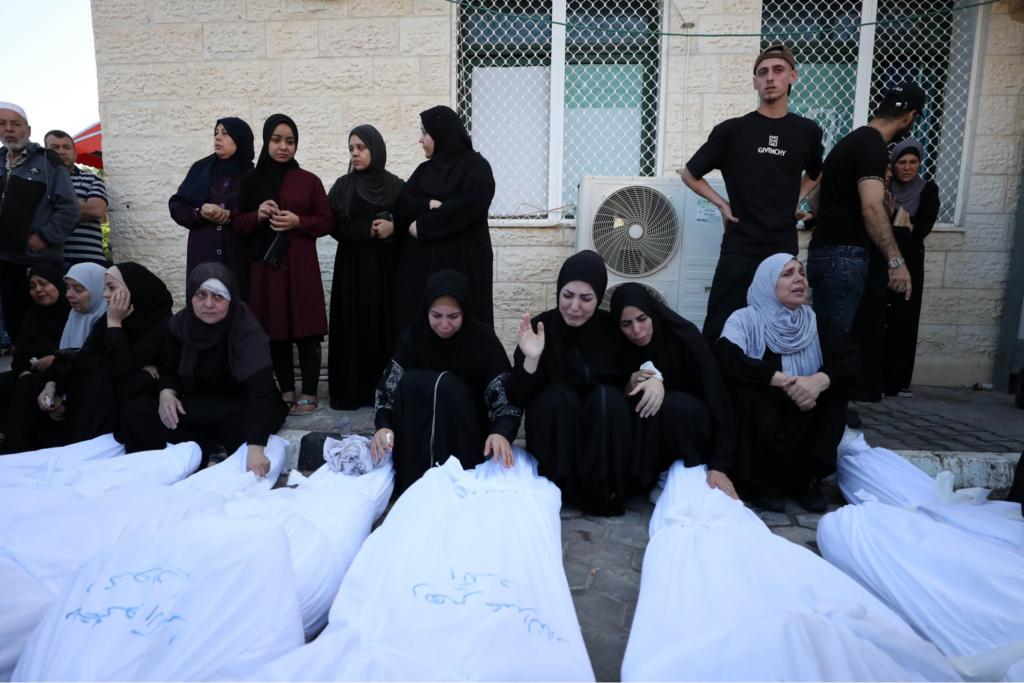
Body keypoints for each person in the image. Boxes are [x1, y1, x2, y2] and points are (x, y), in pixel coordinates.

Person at [680, 44, 824, 346]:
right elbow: (690, 174)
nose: (770, 77)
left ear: (792, 76)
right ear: (755, 82)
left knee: (778, 326)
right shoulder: (732, 131)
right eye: (763, 72)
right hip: (740, 246)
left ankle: (770, 376)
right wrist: (722, 204)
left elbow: (816, 172)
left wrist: (796, 197)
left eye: (778, 70)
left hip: (782, 248)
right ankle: (715, 377)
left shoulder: (807, 131)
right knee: (721, 327)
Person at [807, 82, 925, 407]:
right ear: (910, 117)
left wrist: (839, 219)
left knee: (822, 339)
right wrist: (896, 261)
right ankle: (829, 417)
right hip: (845, 257)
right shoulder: (874, 148)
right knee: (835, 344)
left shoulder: (848, 142)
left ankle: (818, 413)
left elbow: (816, 198)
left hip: (822, 251)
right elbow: (871, 207)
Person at [716, 255, 860, 512]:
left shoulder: (816, 320)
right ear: (767, 282)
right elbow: (728, 360)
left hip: (804, 412)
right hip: (763, 419)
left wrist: (819, 380)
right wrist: (784, 381)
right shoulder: (744, 319)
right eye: (787, 274)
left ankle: (806, 479)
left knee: (836, 390)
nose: (799, 279)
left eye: (802, 273)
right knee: (746, 388)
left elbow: (851, 360)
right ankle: (758, 482)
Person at [119, 263, 288, 475]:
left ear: (231, 299)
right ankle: (211, 450)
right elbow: (169, 371)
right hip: (199, 404)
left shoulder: (246, 329)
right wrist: (166, 394)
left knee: (259, 415)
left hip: (240, 406)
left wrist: (255, 448)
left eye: (218, 296)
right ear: (191, 296)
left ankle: (205, 446)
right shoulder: (179, 326)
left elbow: (261, 392)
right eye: (201, 295)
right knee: (135, 411)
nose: (209, 304)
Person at [371, 270, 521, 494]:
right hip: (415, 443)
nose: (444, 325)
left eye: (453, 316)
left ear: (465, 311)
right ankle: (414, 481)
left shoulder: (482, 339)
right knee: (411, 381)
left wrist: (501, 432)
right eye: (436, 315)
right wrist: (383, 426)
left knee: (447, 386)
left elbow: (505, 399)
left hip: (464, 438)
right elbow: (387, 392)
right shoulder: (413, 336)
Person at [506, 251, 632, 516]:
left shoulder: (612, 331)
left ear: (599, 297)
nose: (574, 307)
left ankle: (603, 491)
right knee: (559, 396)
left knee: (607, 398)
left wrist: (653, 379)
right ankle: (556, 487)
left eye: (586, 299)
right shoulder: (540, 328)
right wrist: (531, 360)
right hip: (555, 427)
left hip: (598, 427)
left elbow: (634, 374)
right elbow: (516, 396)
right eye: (567, 295)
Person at [0, 262, 172, 454]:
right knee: (30, 385)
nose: (105, 294)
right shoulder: (104, 320)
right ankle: (16, 448)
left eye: (111, 288)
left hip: (117, 396)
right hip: (88, 387)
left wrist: (115, 324)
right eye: (105, 288)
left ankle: (79, 450)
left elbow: (122, 365)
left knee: (101, 381)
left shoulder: (160, 323)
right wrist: (54, 385)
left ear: (134, 289)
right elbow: (83, 358)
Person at [233, 114, 332, 414]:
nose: (283, 147)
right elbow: (238, 222)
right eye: (276, 140)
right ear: (266, 142)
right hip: (268, 269)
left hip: (301, 267)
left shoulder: (309, 181)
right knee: (274, 330)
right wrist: (258, 215)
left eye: (290, 141)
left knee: (307, 330)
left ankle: (310, 392)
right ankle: (287, 391)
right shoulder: (251, 181)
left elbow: (327, 221)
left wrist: (299, 221)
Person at [609, 283, 737, 500]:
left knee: (673, 404)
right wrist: (630, 384)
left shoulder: (685, 337)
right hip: (655, 433)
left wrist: (720, 464)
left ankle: (690, 470)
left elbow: (719, 402)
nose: (636, 330)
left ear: (652, 313)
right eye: (626, 324)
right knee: (638, 395)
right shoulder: (621, 345)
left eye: (642, 319)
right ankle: (644, 476)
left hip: (694, 427)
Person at [393, 106, 496, 331]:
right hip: (422, 274)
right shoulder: (423, 171)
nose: (421, 140)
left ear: (442, 134)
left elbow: (465, 207)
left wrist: (422, 225)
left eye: (425, 133)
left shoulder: (476, 167)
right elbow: (401, 205)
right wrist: (427, 204)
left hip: (463, 268)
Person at [327, 124, 405, 410]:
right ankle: (352, 391)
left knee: (384, 324)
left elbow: (410, 220)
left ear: (376, 149)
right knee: (352, 326)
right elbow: (331, 222)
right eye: (351, 149)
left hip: (386, 272)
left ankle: (384, 392)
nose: (355, 154)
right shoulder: (343, 186)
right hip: (352, 271)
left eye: (361, 147)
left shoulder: (396, 186)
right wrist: (365, 230)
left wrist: (393, 228)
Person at [0, 103, 80, 342]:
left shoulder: (47, 160)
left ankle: (52, 363)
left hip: (39, 258)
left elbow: (70, 208)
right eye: (2, 124)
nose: (9, 129)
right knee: (14, 321)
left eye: (16, 124)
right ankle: (24, 362)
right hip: (5, 258)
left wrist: (44, 237)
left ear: (28, 130)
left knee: (47, 320)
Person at [169, 118, 256, 301]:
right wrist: (201, 212)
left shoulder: (255, 177)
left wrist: (233, 216)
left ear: (241, 139)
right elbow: (177, 206)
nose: (218, 137)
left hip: (239, 259)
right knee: (204, 307)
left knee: (239, 307)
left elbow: (260, 216)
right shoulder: (201, 169)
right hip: (203, 257)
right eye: (216, 133)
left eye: (225, 133)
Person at [882, 139, 939, 398]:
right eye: (901, 162)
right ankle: (874, 377)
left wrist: (895, 214)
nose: (907, 168)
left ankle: (898, 381)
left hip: (911, 261)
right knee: (878, 315)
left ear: (920, 163)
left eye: (913, 162)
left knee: (904, 318)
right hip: (882, 257)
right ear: (893, 164)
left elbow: (922, 229)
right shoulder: (883, 186)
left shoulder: (928, 190)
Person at [0, 265, 70, 437]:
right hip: (33, 376)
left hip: (64, 375)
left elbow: (80, 352)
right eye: (32, 286)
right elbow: (20, 356)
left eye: (43, 283)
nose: (38, 290)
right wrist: (24, 375)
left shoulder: (74, 313)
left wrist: (56, 358)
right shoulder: (33, 316)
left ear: (58, 284)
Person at [44, 130, 109, 267]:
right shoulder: (37, 180)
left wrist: (50, 205)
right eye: (55, 147)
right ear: (45, 152)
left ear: (75, 152)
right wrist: (78, 205)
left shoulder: (92, 178)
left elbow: (96, 211)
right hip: (48, 261)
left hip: (88, 259)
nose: (61, 152)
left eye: (66, 147)